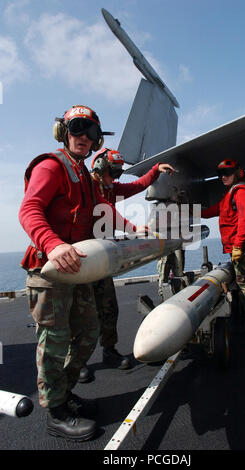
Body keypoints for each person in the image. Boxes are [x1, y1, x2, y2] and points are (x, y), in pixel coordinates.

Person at [18, 105, 140, 441]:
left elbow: (104, 212)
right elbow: (29, 209)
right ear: (64, 131)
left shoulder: (85, 175)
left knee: (88, 332)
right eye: (77, 128)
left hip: (79, 270)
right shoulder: (51, 166)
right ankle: (55, 413)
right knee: (54, 342)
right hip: (51, 271)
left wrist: (135, 230)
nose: (84, 137)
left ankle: (64, 393)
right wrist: (54, 244)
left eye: (91, 132)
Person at [78, 148, 176, 380]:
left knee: (109, 308)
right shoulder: (86, 185)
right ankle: (78, 362)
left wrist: (155, 170)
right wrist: (132, 228)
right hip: (82, 257)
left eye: (118, 173)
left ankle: (109, 351)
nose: (116, 178)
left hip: (101, 258)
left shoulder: (111, 187)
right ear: (100, 167)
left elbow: (137, 186)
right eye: (113, 172)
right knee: (81, 314)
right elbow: (105, 207)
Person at [201, 158, 245, 329]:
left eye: (227, 173)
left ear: (237, 173)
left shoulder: (241, 192)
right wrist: (189, 211)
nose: (223, 176)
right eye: (221, 174)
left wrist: (238, 245)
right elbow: (212, 211)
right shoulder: (230, 194)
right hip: (242, 247)